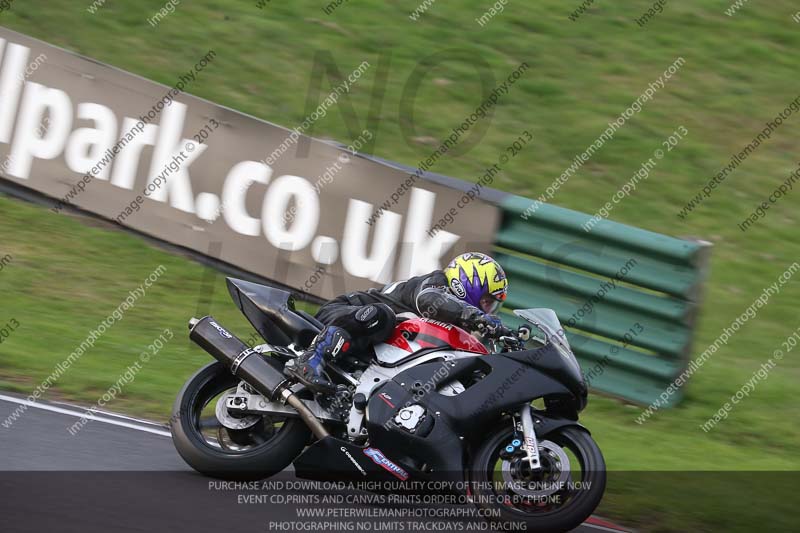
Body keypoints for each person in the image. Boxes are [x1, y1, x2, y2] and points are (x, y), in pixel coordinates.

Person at [286, 252, 509, 392]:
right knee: (383, 315)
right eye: (487, 301)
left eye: (490, 306)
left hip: (375, 353)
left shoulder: (456, 329)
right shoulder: (436, 283)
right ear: (468, 284)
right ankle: (311, 360)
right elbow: (429, 299)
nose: (486, 309)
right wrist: (478, 317)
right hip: (345, 313)